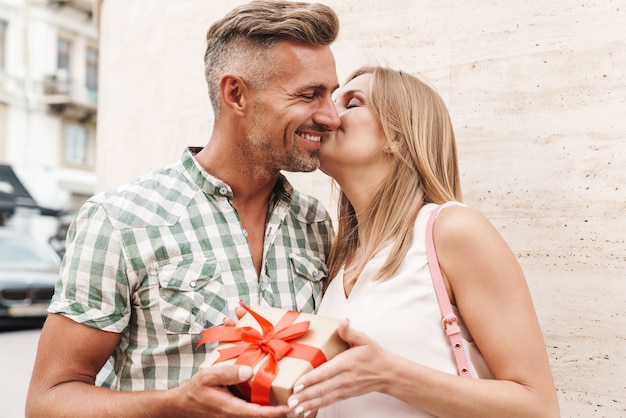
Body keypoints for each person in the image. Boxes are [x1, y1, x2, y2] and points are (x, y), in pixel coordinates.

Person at [26, 1, 341, 417]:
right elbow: (47, 401)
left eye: (331, 95)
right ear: (235, 94)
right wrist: (175, 405)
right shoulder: (120, 219)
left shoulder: (315, 223)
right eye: (308, 95)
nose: (331, 117)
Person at [286, 66, 560, 417]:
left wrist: (388, 375)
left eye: (351, 104)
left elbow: (540, 408)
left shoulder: (453, 230)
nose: (326, 115)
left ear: (398, 136)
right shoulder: (336, 256)